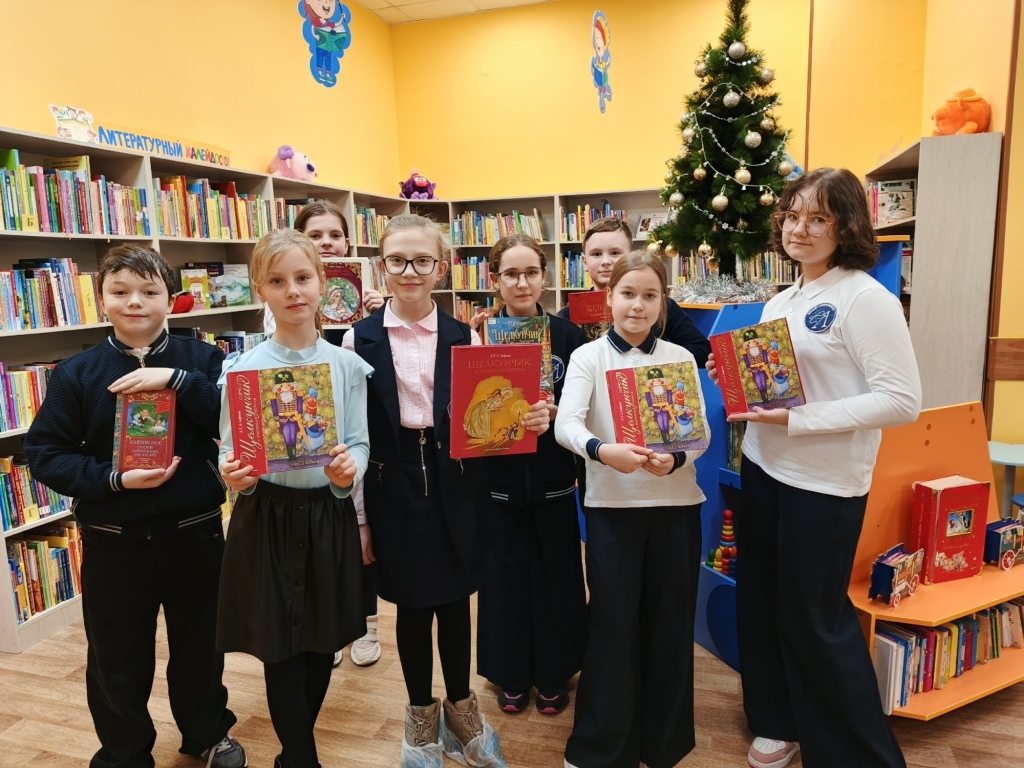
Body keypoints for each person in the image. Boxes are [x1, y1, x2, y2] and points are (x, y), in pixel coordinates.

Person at [707, 168, 921, 768]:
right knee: (762, 603)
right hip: (763, 466)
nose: (799, 229)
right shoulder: (783, 298)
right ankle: (776, 721)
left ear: (846, 225)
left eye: (818, 218)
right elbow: (776, 382)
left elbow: (901, 402)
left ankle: (860, 755)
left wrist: (798, 419)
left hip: (824, 484)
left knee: (817, 620)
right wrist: (736, 381)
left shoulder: (866, 299)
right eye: (792, 216)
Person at [23, 244, 245, 768]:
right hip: (113, 540)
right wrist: (114, 479)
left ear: (171, 298)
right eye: (120, 291)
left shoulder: (203, 359)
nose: (135, 302)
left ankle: (206, 733)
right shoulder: (77, 373)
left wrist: (178, 381)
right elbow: (45, 454)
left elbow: (234, 419)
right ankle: (123, 753)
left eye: (149, 291)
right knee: (115, 657)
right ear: (100, 298)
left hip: (195, 532)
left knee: (201, 647)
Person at [343, 215, 537, 768]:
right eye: (398, 260)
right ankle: (420, 718)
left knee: (455, 598)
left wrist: (525, 418)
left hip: (456, 479)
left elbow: (485, 417)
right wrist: (360, 517)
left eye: (422, 260)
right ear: (382, 266)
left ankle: (462, 711)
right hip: (391, 480)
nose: (410, 271)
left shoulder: (463, 336)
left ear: (442, 267)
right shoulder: (358, 338)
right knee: (410, 603)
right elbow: (355, 432)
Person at [218, 228, 372, 768]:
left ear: (322, 281)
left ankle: (294, 757)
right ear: (261, 289)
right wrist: (235, 476)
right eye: (277, 281)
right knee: (279, 646)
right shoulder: (242, 370)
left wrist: (348, 470)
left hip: (328, 514)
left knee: (321, 642)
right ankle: (301, 758)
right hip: (266, 516)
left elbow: (359, 441)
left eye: (303, 278)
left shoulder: (347, 366)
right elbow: (232, 451)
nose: (293, 291)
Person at [555, 250, 708, 768]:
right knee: (613, 625)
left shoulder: (680, 357)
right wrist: (602, 451)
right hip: (613, 508)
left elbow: (701, 433)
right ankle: (603, 747)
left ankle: (663, 744)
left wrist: (677, 458)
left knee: (670, 625)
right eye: (627, 294)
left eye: (649, 296)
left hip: (676, 507)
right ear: (609, 298)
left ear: (663, 302)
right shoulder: (589, 357)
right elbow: (566, 425)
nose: (637, 306)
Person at [471, 234, 589, 716]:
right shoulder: (478, 335)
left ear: (544, 277)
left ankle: (556, 673)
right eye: (511, 274)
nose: (522, 283)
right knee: (502, 579)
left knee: (557, 577)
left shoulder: (569, 337)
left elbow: (588, 410)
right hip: (496, 480)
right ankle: (510, 673)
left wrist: (557, 415)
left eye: (531, 273)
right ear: (494, 279)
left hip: (553, 477)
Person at [265, 200, 384, 669]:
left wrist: (375, 315)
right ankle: (325, 626)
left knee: (358, 531)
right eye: (316, 235)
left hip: (349, 431)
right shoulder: (287, 304)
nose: (327, 243)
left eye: (335, 235)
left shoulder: (363, 304)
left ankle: (364, 622)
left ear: (348, 243)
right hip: (303, 444)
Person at [555, 216, 711, 367]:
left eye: (615, 253)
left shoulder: (660, 305)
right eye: (596, 254)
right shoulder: (567, 315)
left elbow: (702, 350)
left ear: (631, 256)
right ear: (584, 262)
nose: (606, 261)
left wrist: (651, 358)